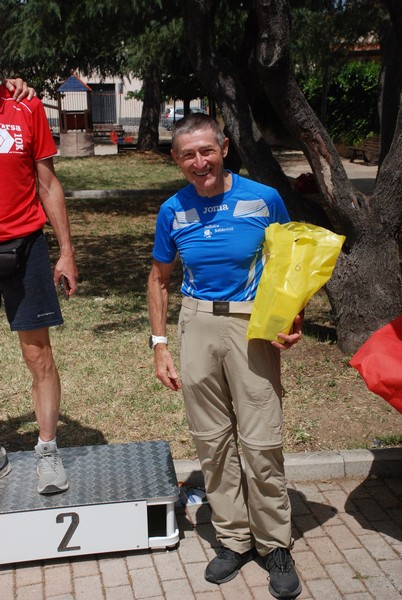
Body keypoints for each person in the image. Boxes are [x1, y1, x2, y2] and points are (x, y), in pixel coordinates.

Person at [148, 113, 303, 599]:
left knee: (261, 440)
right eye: (188, 155)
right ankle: (234, 540)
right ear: (177, 160)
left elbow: (288, 264)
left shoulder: (263, 198)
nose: (200, 162)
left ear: (225, 148)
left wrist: (292, 315)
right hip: (197, 323)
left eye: (206, 151)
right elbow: (159, 279)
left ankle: (274, 543)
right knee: (211, 439)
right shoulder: (173, 209)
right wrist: (159, 347)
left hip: (250, 325)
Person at [0, 78, 78, 494]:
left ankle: (47, 450)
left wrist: (66, 251)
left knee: (38, 355)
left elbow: (47, 184)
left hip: (25, 248)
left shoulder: (25, 107)